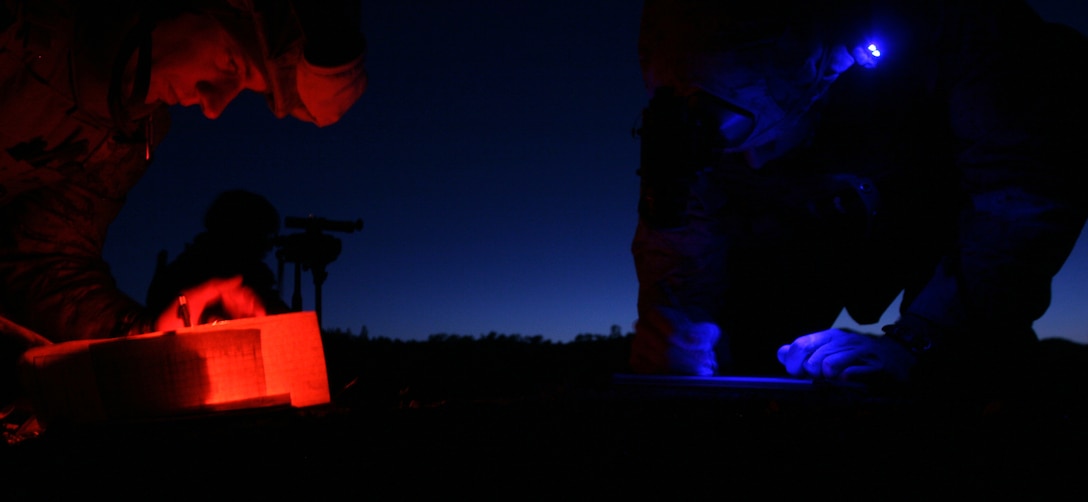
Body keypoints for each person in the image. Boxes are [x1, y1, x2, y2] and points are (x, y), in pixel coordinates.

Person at [628, 0, 1088, 389]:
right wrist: (679, 327)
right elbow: (679, 228)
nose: (746, 160)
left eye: (750, 131)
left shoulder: (960, 32)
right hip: (825, 217)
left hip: (939, 206)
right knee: (748, 360)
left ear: (811, 73)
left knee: (969, 366)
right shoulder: (687, 116)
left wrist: (920, 339)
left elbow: (1022, 199)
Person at [0, 0, 366, 402]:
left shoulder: (132, 130)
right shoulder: (20, 24)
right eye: (230, 63)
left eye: (241, 87)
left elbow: (43, 264)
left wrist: (151, 333)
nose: (212, 106)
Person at [145, 189, 291, 324]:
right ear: (243, 230)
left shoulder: (257, 277)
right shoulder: (189, 270)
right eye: (264, 234)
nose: (269, 245)